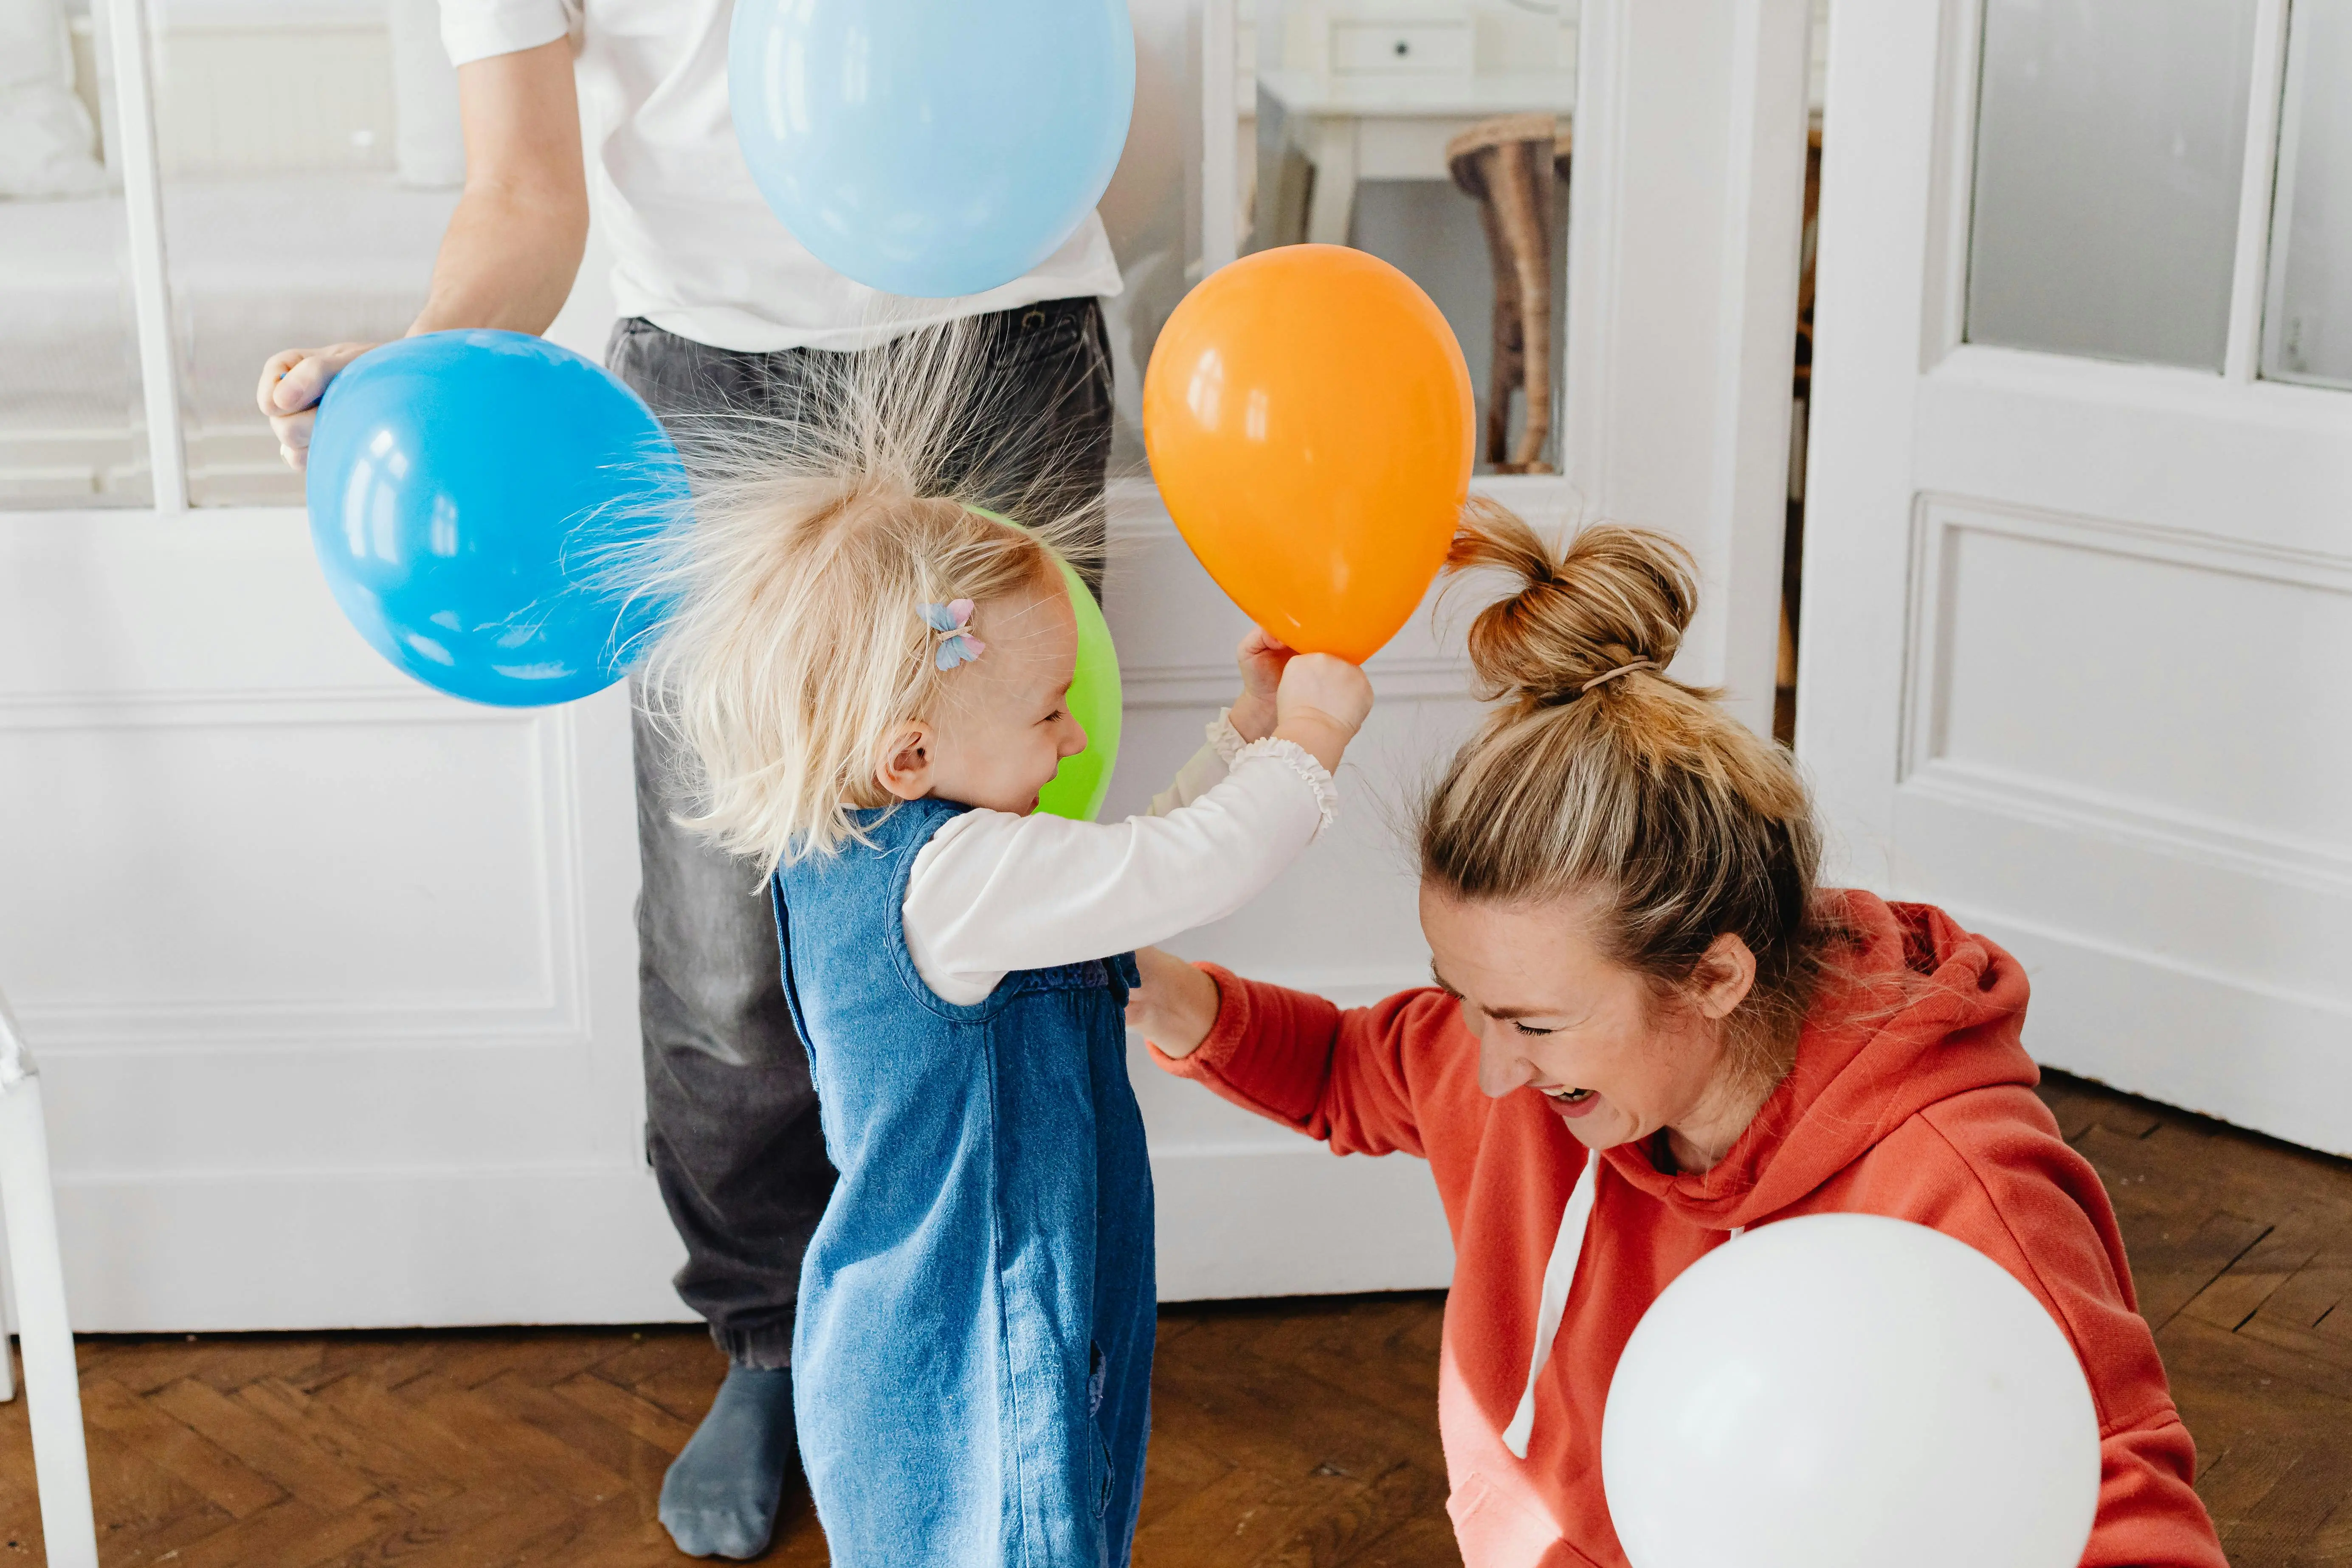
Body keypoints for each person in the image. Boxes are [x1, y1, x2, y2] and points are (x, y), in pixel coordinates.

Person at [251, 10, 1121, 1559]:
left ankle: (1018, 1326)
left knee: (1013, 897)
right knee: (735, 943)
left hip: (1000, 327)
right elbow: (526, 191)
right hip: (715, 383)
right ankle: (773, 1337)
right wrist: (427, 365)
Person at [1124, 504, 2229, 1568]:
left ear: (1713, 975)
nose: (1493, 1066)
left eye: (1535, 1021)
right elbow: (1346, 1067)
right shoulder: (1523, 1057)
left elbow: (2129, 1527)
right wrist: (1154, 986)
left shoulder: (1964, 1193)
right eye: (1462, 997)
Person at [624, 329, 1374, 1566]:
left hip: (976, 1294)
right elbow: (1179, 868)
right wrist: (1307, 748)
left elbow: (1122, 868)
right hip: (974, 1324)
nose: (1078, 738)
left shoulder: (907, 848)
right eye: (1047, 712)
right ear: (909, 752)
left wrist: (1244, 734)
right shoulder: (955, 878)